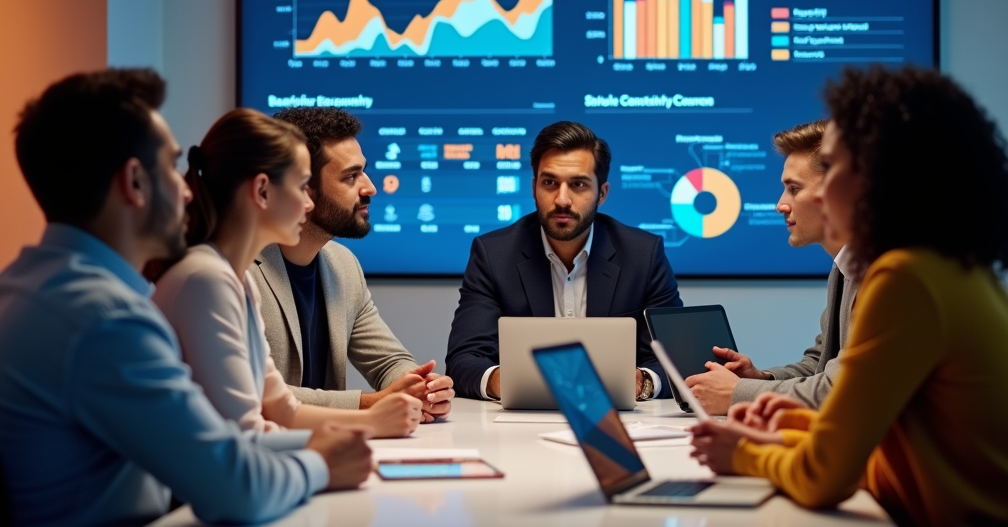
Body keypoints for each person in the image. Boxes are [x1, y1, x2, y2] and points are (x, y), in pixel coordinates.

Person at [0, 70, 373, 527]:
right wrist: (322, 464)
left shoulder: (16, 291)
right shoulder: (104, 319)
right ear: (134, 182)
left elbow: (221, 446)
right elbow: (236, 488)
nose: (188, 187)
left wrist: (321, 443)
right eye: (171, 166)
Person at [690, 66, 1008, 526]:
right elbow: (883, 440)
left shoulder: (907, 280)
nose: (817, 197)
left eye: (835, 167)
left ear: (881, 180)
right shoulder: (952, 268)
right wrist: (792, 427)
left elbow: (825, 477)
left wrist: (743, 454)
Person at [151, 109, 421, 439]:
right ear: (263, 191)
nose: (307, 204)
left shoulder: (236, 278)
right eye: (301, 186)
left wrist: (386, 412)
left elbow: (279, 407)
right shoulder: (207, 279)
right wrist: (338, 447)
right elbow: (244, 436)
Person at [446, 121, 683, 402]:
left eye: (578, 185)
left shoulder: (643, 254)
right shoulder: (493, 254)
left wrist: (642, 382)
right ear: (534, 188)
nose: (561, 199)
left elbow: (676, 362)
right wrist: (502, 380)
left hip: (620, 419)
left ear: (602, 194)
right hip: (518, 425)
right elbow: (464, 360)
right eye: (549, 183)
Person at [249, 107, 454, 421]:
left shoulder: (343, 265)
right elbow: (252, 390)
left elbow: (388, 361)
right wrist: (370, 404)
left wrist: (421, 386)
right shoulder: (240, 268)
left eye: (364, 171)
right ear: (304, 186)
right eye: (351, 176)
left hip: (326, 449)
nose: (370, 187)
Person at [685, 120, 856, 414]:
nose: (780, 204)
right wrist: (761, 378)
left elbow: (842, 389)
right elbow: (822, 361)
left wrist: (739, 393)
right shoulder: (844, 268)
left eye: (793, 188)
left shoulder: (887, 271)